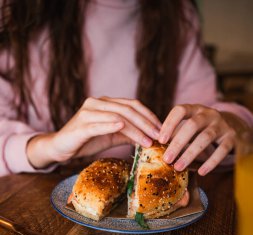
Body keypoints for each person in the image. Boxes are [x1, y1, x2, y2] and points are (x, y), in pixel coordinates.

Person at [0, 0, 252, 178]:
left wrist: (230, 122)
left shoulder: (177, 13)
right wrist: (48, 147)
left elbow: (210, 112)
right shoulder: (18, 12)